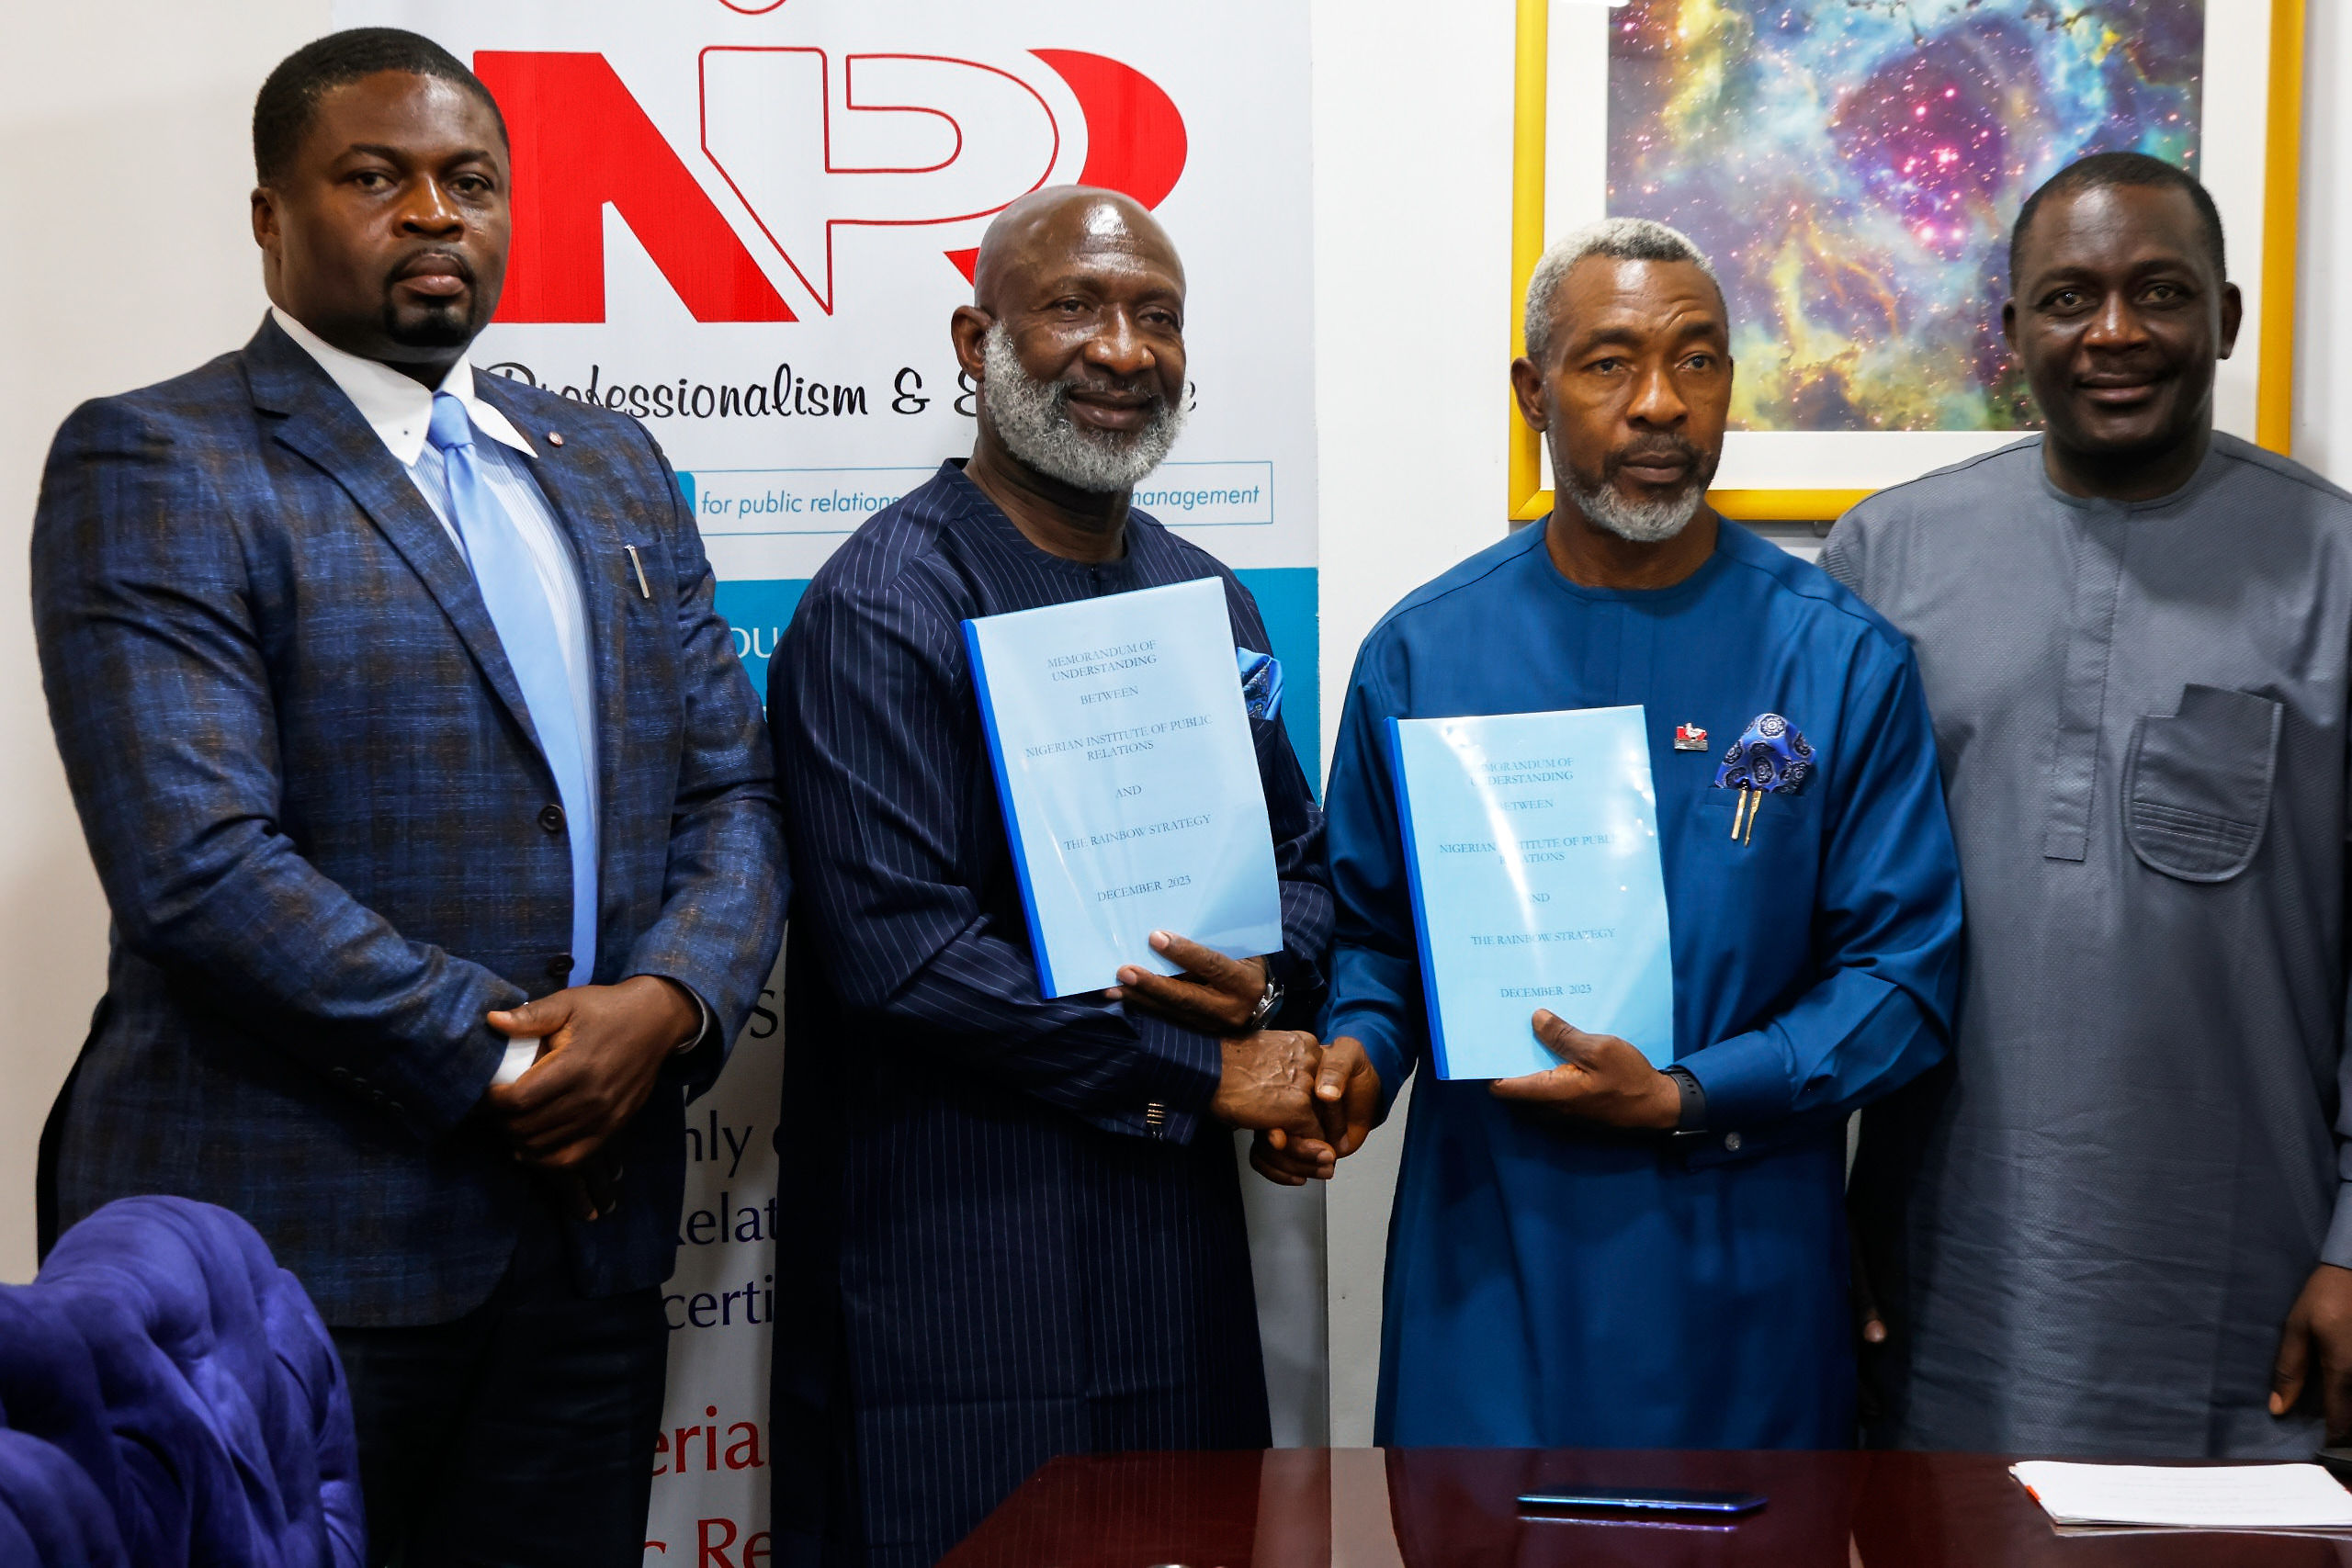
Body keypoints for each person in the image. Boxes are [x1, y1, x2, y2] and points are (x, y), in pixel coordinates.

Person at [30, 29, 786, 1565]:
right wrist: (520, 1074)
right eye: (375, 178)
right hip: (290, 1253)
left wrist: (666, 1005)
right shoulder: (159, 456)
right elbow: (199, 863)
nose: (434, 214)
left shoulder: (613, 464)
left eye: (469, 181)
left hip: (586, 1252)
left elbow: (737, 791)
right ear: (269, 217)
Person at [766, 186, 1365, 1567]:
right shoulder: (885, 607)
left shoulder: (1206, 597)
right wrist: (1212, 1073)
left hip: (1174, 1268)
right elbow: (904, 961)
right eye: (1074, 308)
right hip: (957, 1274)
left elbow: (1305, 871)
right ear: (976, 339)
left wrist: (1268, 977)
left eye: (1157, 316)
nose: (1121, 348)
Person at [1321, 218, 1963, 1448]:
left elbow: (1903, 979)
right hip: (1488, 1267)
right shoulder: (1423, 652)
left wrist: (1689, 1094)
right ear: (1534, 394)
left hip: (1742, 1276)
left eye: (1699, 360)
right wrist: (1358, 1050)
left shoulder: (1837, 657)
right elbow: (1373, 935)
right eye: (1609, 363)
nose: (1660, 404)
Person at [1827, 152, 2352, 1458]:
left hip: (2256, 1279)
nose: (2114, 333)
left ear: (2226, 318)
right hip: (1944, 1273)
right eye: (2068, 299)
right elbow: (1808, 931)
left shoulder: (2338, 568)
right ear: (2009, 334)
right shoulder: (1883, 562)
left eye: (2159, 292)